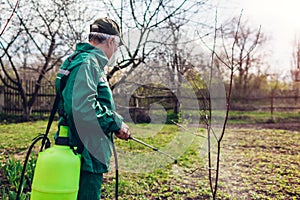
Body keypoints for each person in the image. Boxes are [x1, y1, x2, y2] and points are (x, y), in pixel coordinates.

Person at [55, 17, 130, 200]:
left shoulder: (81, 60)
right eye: (117, 45)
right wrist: (114, 123)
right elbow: (82, 108)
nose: (116, 51)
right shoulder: (88, 63)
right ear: (111, 41)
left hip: (80, 147)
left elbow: (82, 102)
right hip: (85, 152)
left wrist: (115, 121)